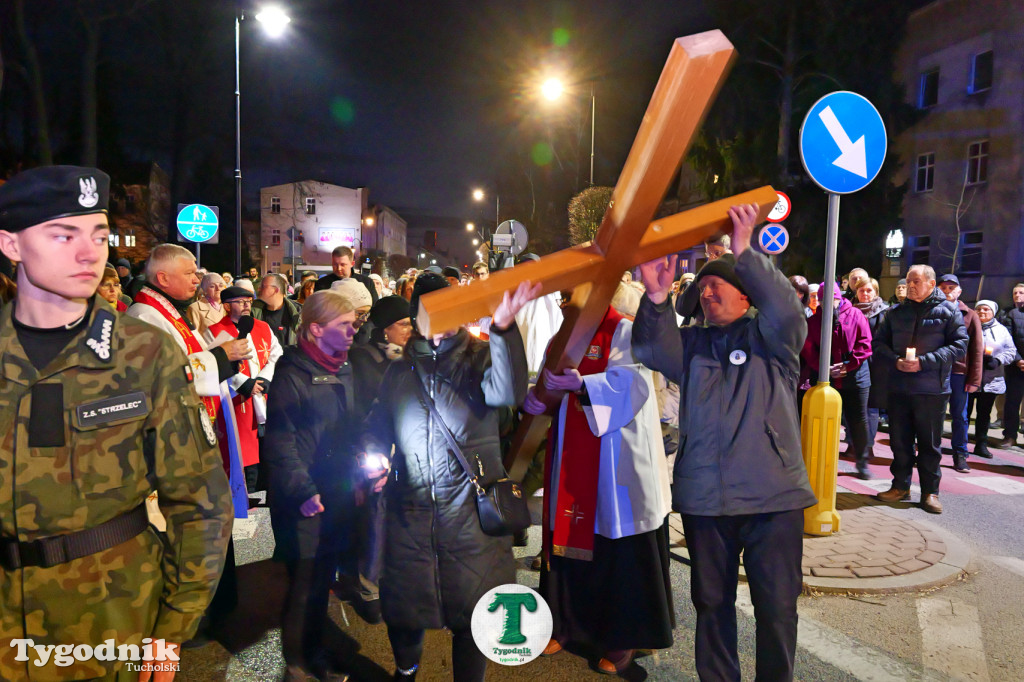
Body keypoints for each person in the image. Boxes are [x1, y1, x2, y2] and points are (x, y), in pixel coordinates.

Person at [0, 165, 232, 680]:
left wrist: (173, 629)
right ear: (12, 245)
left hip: (115, 618)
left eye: (100, 235)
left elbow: (199, 499)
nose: (90, 252)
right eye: (64, 235)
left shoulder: (143, 353)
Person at [633, 203, 816, 682]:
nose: (709, 291)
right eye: (703, 287)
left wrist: (748, 253)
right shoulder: (691, 346)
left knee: (776, 607)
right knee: (711, 604)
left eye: (720, 283)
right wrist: (654, 298)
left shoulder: (772, 339)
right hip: (705, 502)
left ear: (746, 294)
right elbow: (652, 349)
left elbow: (788, 310)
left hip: (771, 498)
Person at [361, 273, 534, 681]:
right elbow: (376, 426)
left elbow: (510, 392)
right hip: (411, 510)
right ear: (418, 315)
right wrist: (372, 456)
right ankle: (406, 670)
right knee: (404, 609)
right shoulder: (398, 372)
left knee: (474, 615)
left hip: (471, 515)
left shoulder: (480, 358)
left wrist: (504, 329)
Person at [525, 299, 673, 675]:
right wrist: (538, 396)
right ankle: (566, 624)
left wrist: (586, 385)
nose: (564, 301)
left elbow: (635, 383)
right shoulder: (563, 336)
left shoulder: (622, 330)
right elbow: (547, 379)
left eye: (572, 294)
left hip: (615, 460)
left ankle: (621, 636)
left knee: (617, 545)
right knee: (568, 536)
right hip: (573, 454)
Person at [260, 291, 357, 681]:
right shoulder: (292, 373)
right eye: (344, 325)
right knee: (304, 584)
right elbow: (281, 443)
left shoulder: (344, 368)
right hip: (304, 500)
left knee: (322, 580)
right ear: (316, 330)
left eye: (355, 323)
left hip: (337, 494)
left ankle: (313, 651)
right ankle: (298, 662)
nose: (353, 332)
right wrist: (303, 491)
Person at [872, 265, 967, 514]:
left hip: (931, 389)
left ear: (931, 284)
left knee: (929, 444)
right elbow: (878, 344)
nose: (910, 286)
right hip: (900, 387)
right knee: (900, 442)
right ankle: (900, 486)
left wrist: (923, 362)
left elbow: (959, 346)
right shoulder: (895, 313)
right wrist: (895, 360)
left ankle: (930, 493)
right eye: (909, 282)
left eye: (916, 282)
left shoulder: (948, 311)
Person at [208, 286, 283, 494]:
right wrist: (242, 383)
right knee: (241, 445)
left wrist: (264, 378)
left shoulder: (262, 327)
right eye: (241, 302)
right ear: (226, 306)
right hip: (236, 397)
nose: (247, 305)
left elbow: (276, 353)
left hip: (262, 393)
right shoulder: (215, 332)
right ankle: (244, 489)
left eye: (249, 301)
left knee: (263, 441)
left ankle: (264, 485)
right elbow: (214, 362)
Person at [801, 282, 874, 479]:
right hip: (826, 378)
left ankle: (862, 460)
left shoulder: (855, 315)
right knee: (824, 419)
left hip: (855, 377)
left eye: (831, 299)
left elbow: (865, 344)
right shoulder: (814, 321)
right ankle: (822, 460)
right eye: (822, 300)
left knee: (857, 419)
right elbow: (808, 349)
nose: (826, 304)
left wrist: (847, 365)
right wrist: (824, 368)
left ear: (839, 298)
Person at [937, 274, 983, 473]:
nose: (947, 291)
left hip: (958, 372)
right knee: (933, 414)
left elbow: (977, 349)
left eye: (951, 288)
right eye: (944, 287)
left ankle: (960, 453)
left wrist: (974, 378)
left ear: (959, 291)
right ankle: (931, 451)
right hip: (935, 370)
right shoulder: (932, 310)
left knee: (959, 415)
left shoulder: (969, 315)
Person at [969, 300, 1015, 462]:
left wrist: (997, 360)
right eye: (979, 309)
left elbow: (1011, 351)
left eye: (986, 309)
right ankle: (959, 443)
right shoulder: (968, 326)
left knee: (984, 413)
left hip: (990, 379)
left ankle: (981, 443)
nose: (982, 312)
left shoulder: (1001, 330)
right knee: (963, 413)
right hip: (969, 378)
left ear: (993, 312)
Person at [853, 278, 890, 456]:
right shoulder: (851, 311)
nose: (865, 294)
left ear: (876, 292)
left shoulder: (884, 313)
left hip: (876, 366)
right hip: (855, 364)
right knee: (854, 407)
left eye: (869, 290)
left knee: (871, 407)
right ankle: (854, 444)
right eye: (862, 291)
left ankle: (868, 445)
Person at [996, 283, 1024, 449]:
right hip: (1015, 366)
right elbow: (1007, 339)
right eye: (1015, 292)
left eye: (1021, 292)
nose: (1018, 295)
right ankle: (1010, 436)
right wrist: (1019, 360)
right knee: (1012, 403)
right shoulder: (1008, 313)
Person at [314, 245, 378, 303]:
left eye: (343, 265)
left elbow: (375, 307)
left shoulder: (367, 282)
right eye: (335, 264)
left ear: (352, 264)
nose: (339, 268)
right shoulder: (322, 284)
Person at [253, 272, 302, 347]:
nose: (259, 289)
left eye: (263, 286)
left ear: (276, 290)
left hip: (288, 357)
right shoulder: (253, 310)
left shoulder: (298, 312)